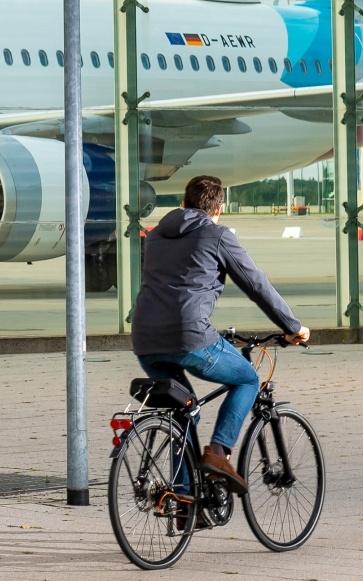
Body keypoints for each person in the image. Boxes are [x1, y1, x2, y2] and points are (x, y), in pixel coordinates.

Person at [130, 174, 309, 493]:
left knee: (184, 411)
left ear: (183, 203)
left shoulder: (155, 236)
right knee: (247, 380)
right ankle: (218, 452)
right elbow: (255, 285)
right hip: (190, 337)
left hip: (145, 340)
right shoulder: (217, 235)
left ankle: (183, 500)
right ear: (218, 209)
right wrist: (292, 327)